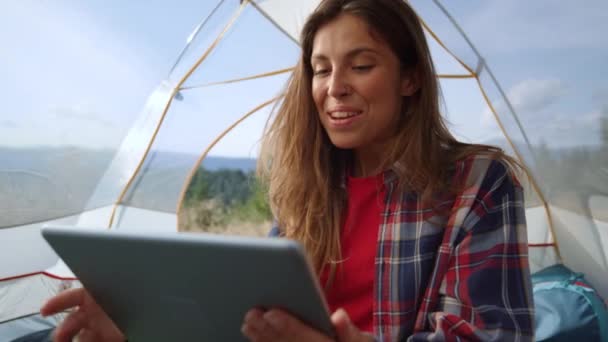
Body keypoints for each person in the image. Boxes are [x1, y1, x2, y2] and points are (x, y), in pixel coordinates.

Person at [40, 0, 534, 341]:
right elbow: (250, 318)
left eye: (361, 66)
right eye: (321, 69)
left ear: (409, 79)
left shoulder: (477, 184)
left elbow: (492, 334)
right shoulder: (305, 185)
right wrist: (142, 320)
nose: (334, 87)